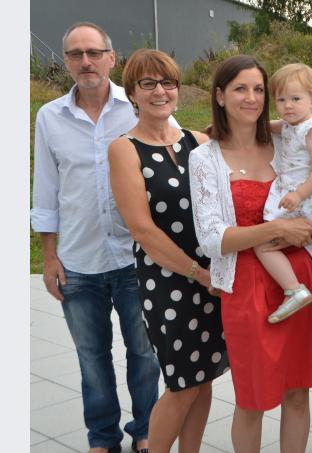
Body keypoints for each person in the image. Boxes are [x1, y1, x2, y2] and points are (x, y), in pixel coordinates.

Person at [188, 54, 312, 453]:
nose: (252, 98)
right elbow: (211, 238)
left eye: (258, 89)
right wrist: (278, 229)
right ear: (220, 95)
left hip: (299, 276)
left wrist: (302, 231)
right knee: (252, 399)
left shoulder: (283, 140)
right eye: (241, 88)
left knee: (298, 392)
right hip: (245, 285)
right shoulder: (204, 157)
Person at [31, 22, 161, 453]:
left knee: (144, 355)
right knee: (92, 358)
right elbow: (46, 191)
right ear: (65, 61)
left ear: (111, 57)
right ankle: (102, 438)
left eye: (93, 52)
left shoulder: (139, 107)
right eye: (75, 54)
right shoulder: (49, 117)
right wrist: (50, 258)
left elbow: (182, 144)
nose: (85, 61)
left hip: (134, 259)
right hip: (78, 261)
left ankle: (146, 432)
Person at [107, 48, 230, 453]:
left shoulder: (199, 140)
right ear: (132, 93)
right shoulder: (125, 148)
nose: (160, 91)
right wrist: (199, 273)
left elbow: (252, 128)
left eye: (168, 83)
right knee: (182, 384)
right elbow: (142, 229)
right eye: (148, 84)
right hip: (169, 281)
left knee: (204, 378)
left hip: (213, 281)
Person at [257, 63, 312, 324]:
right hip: (297, 194)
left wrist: (299, 194)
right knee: (269, 241)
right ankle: (293, 287)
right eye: (281, 99)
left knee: (262, 243)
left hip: (306, 198)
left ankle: (294, 290)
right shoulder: (292, 125)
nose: (287, 106)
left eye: (295, 99)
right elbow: (274, 126)